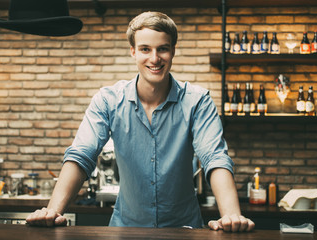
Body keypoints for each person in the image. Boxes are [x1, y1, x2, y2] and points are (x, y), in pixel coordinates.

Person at [26, 11, 255, 232]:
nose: (154, 59)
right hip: (126, 231)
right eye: (145, 49)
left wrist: (231, 216)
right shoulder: (108, 101)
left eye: (162, 49)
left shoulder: (198, 102)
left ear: (173, 51)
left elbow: (214, 157)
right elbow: (81, 155)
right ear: (133, 51)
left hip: (184, 231)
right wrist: (52, 211)